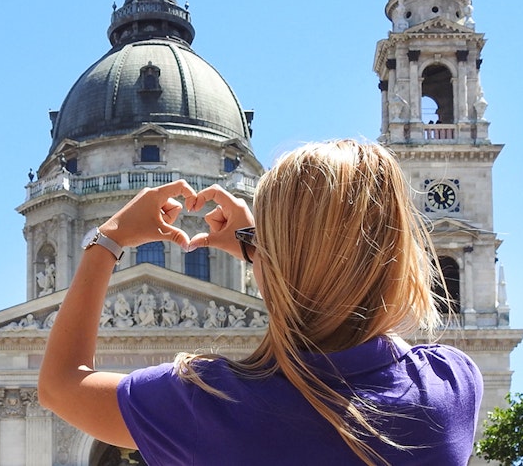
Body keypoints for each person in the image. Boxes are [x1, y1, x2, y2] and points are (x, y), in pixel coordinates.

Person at [38, 140, 482, 465]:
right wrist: (272, 254)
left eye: (263, 241)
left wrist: (107, 242)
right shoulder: (451, 384)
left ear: (268, 267)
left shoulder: (206, 403)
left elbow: (59, 385)